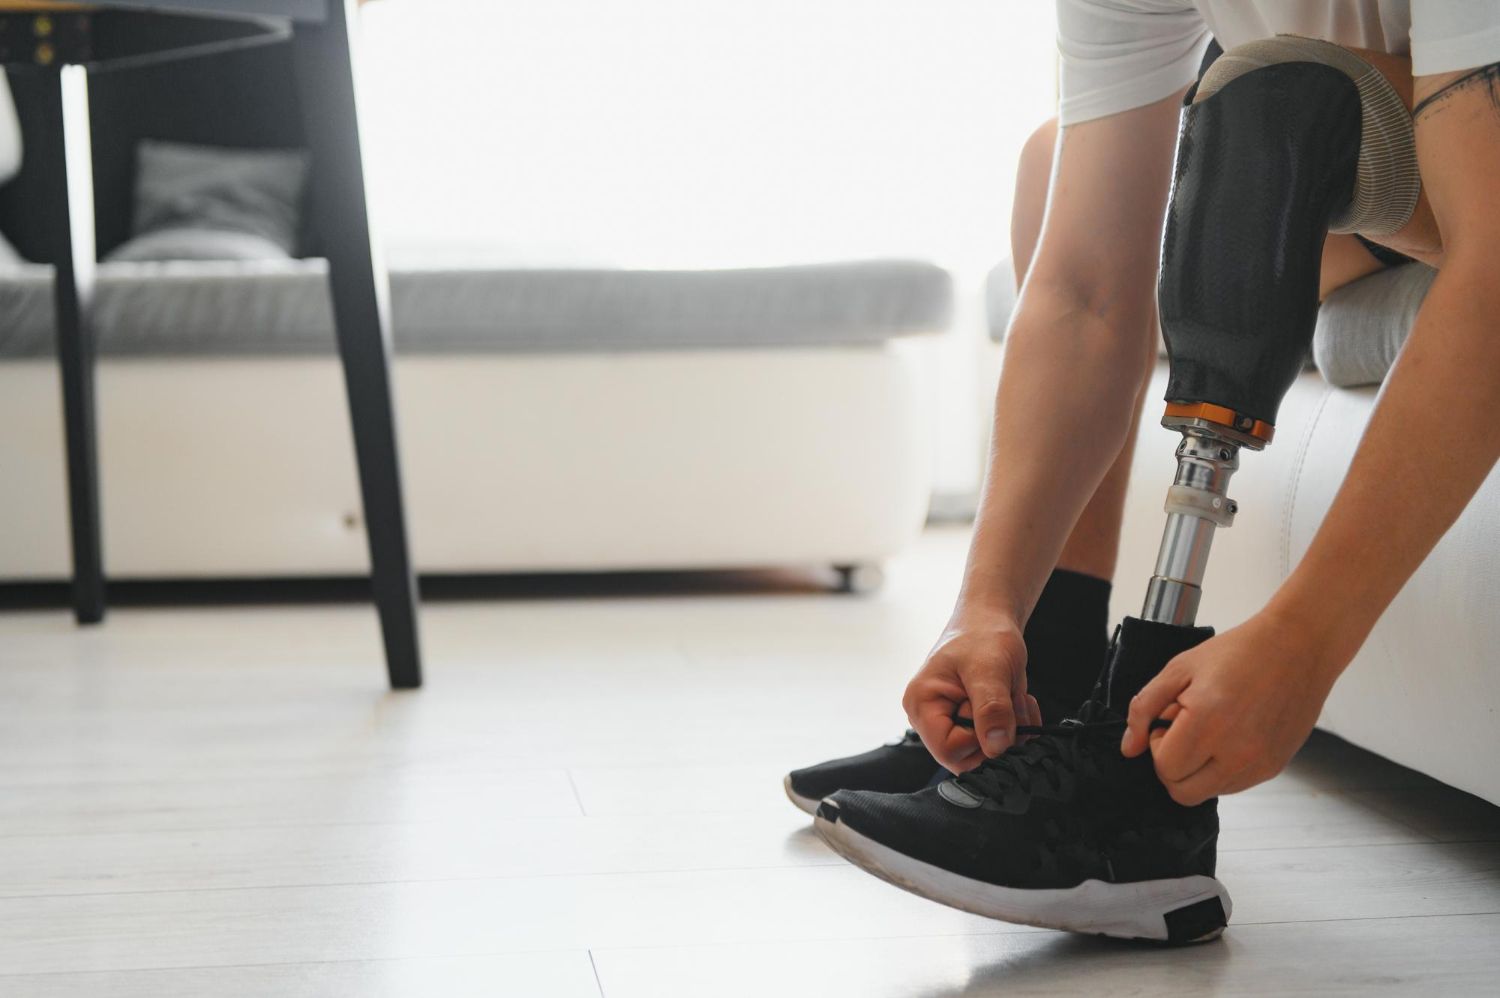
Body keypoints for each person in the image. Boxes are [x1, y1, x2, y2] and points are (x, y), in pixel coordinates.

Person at [785, 0, 1500, 942]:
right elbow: (1087, 288)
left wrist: (1303, 643)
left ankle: (1138, 816)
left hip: (1469, 143)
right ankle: (1049, 669)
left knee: (1273, 98)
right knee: (1063, 166)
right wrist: (987, 603)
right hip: (1396, 145)